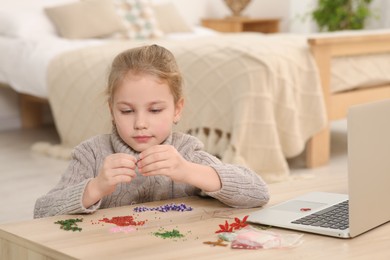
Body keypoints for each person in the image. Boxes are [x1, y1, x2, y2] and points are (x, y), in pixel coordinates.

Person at [34, 44, 269, 218]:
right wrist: (96, 187)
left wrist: (188, 171)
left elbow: (258, 192)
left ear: (177, 110)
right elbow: (42, 212)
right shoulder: (92, 154)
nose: (140, 123)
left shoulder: (185, 151)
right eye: (126, 111)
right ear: (112, 111)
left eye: (155, 110)